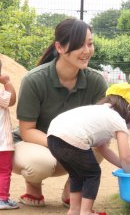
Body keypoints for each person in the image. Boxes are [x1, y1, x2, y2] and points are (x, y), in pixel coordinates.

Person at [12, 18, 108, 207]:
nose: (87, 51)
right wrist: (63, 144)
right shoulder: (34, 80)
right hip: (33, 145)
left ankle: (73, 188)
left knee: (101, 142)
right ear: (60, 47)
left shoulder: (96, 82)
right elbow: (27, 131)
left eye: (90, 43)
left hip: (72, 149)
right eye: (79, 45)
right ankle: (33, 185)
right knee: (40, 163)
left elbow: (101, 128)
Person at [47, 82, 130, 215]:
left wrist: (123, 166)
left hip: (53, 137)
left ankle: (74, 210)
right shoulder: (117, 119)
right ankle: (86, 211)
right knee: (93, 173)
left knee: (77, 174)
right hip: (72, 139)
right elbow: (126, 156)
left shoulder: (97, 111)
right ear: (129, 109)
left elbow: (102, 148)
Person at [0, 59, 19, 210]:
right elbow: (11, 100)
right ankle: (1, 199)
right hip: (2, 143)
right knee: (4, 171)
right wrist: (7, 82)